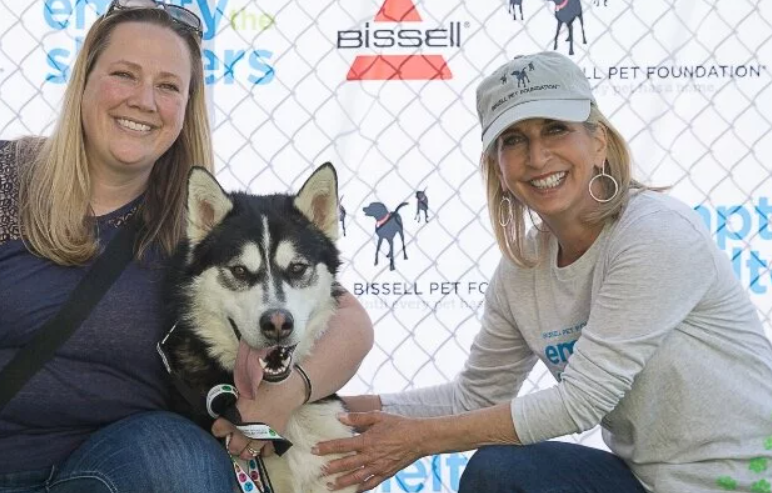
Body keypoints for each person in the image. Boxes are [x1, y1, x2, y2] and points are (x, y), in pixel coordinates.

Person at [0, 0, 366, 493]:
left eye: (168, 86)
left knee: (178, 462)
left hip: (112, 468)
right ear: (84, 81)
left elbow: (348, 321)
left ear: (187, 106)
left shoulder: (197, 225)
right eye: (124, 75)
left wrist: (287, 394)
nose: (143, 101)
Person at [314, 50, 772, 493]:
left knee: (503, 465)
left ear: (598, 142)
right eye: (514, 139)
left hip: (750, 481)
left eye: (556, 129)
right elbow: (474, 399)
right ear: (497, 163)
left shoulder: (655, 234)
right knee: (505, 469)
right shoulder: (521, 272)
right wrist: (317, 414)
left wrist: (417, 440)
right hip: (645, 482)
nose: (537, 157)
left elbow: (581, 402)